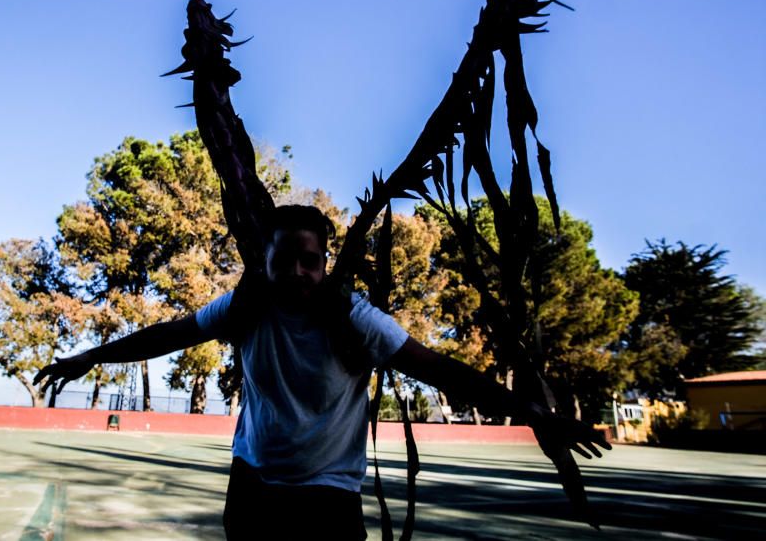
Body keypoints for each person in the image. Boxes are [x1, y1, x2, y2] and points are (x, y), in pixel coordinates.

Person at [34, 204, 611, 540]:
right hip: (254, 488)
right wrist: (95, 354)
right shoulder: (244, 309)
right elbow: (170, 333)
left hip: (327, 499)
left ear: (325, 262)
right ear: (265, 261)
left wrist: (537, 414)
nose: (297, 271)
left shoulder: (355, 320)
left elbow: (442, 371)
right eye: (283, 259)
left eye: (310, 260)